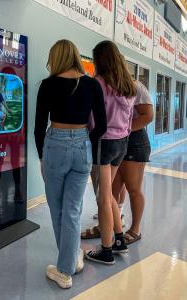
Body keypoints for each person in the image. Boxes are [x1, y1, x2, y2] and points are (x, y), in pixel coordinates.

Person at [34, 39, 107, 289]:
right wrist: (87, 140)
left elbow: (38, 127)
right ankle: (73, 259)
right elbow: (103, 126)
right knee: (73, 210)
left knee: (57, 209)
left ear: (56, 58)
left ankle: (64, 271)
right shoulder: (91, 85)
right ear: (76, 56)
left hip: (55, 145)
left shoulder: (47, 85)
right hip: (82, 148)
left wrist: (42, 157)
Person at [82, 41, 136, 265]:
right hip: (122, 142)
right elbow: (131, 119)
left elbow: (90, 118)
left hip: (104, 143)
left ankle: (106, 250)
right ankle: (119, 240)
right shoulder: (129, 86)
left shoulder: (98, 84)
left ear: (100, 60)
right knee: (109, 195)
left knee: (102, 198)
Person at [112, 80, 153, 244]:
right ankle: (108, 225)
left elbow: (148, 115)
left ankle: (135, 230)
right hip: (115, 139)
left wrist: (126, 129)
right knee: (111, 191)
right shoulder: (106, 85)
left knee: (133, 189)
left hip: (134, 141)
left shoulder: (134, 86)